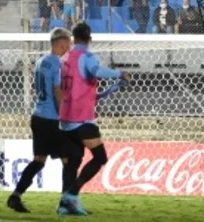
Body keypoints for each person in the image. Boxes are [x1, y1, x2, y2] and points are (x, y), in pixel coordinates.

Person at [57, 22, 129, 216]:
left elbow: (80, 90)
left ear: (73, 38)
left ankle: (64, 206)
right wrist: (119, 73)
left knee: (72, 162)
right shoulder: (87, 57)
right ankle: (71, 195)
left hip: (65, 119)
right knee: (100, 157)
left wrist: (110, 90)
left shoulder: (65, 58)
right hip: (82, 119)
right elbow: (96, 71)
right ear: (90, 39)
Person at [7, 28, 77, 213]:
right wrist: (67, 116)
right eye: (68, 43)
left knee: (39, 160)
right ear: (62, 43)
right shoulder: (58, 64)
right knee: (69, 159)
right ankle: (66, 203)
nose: (70, 46)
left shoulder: (40, 62)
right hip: (52, 119)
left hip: (37, 116)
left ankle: (16, 195)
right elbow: (57, 92)